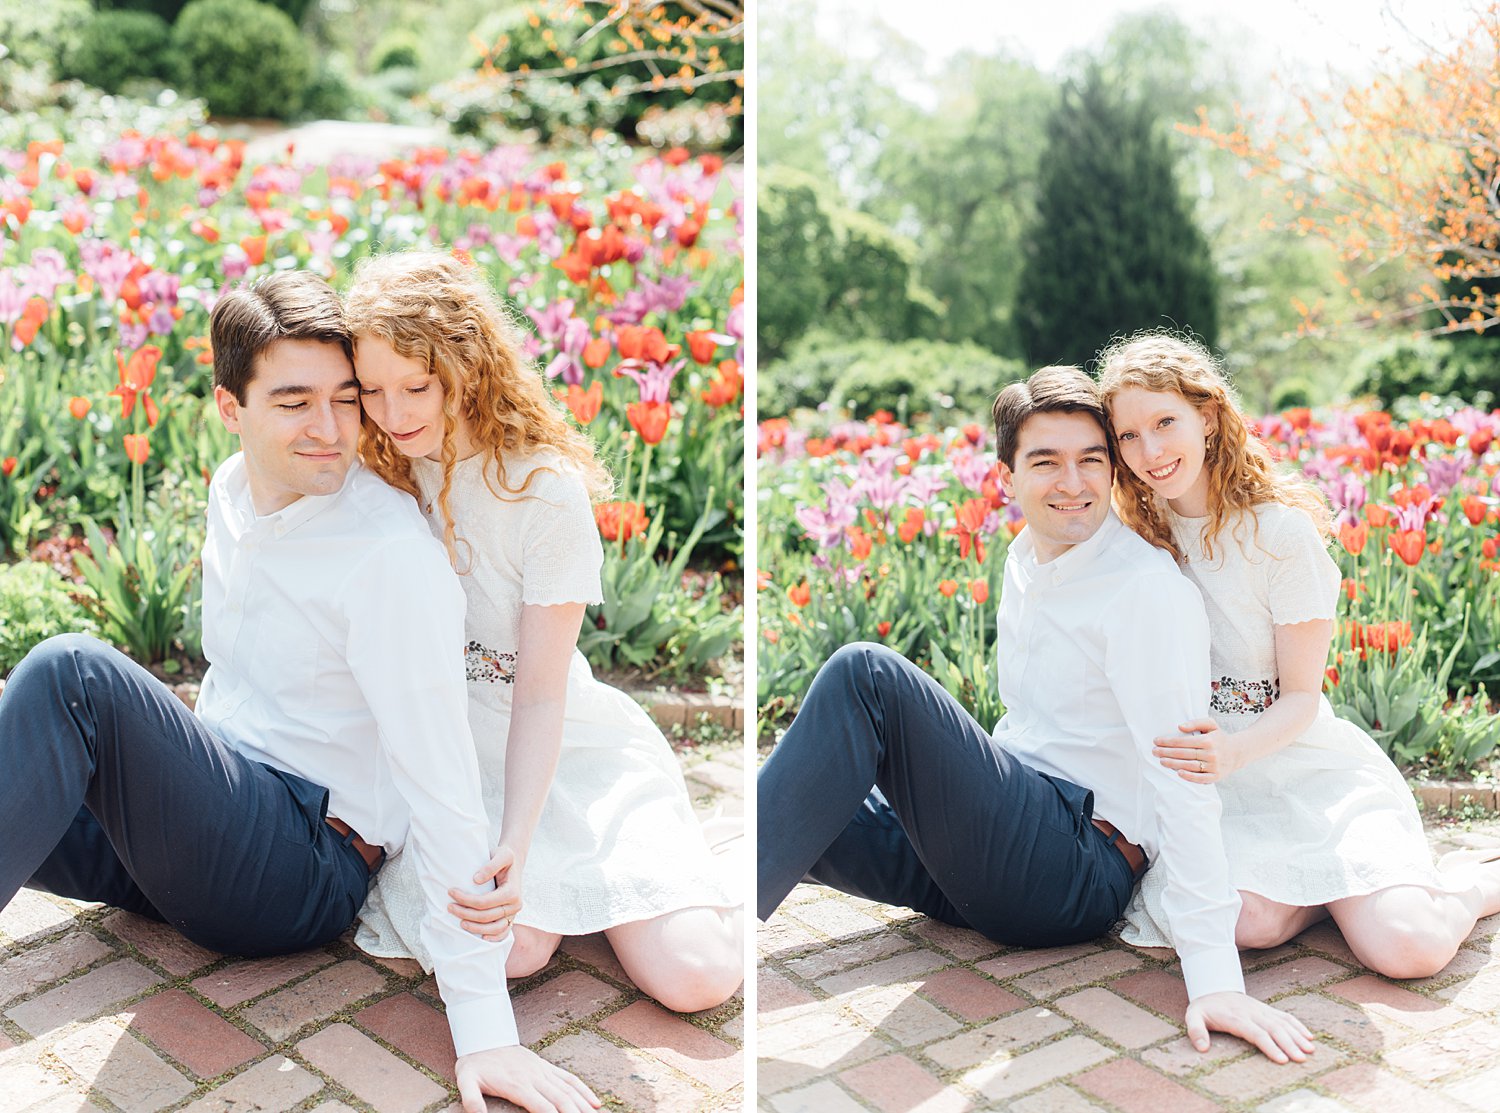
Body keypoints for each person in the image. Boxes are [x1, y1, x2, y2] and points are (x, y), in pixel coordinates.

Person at [0, 271, 598, 1113]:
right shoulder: (230, 493)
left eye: (345, 400)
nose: (329, 431)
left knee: (71, 675)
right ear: (229, 407)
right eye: (293, 402)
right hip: (201, 833)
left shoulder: (385, 553)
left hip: (295, 865)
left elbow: (440, 777)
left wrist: (486, 1029)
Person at [758, 364, 1315, 1063]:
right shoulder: (1026, 557)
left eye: (1091, 460)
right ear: (1006, 477)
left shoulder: (1143, 590)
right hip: (994, 856)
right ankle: (699, 895)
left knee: (864, 674)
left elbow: (1182, 775)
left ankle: (720, 929)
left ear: (1114, 470)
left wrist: (1215, 978)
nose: (1073, 482)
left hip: (1072, 868)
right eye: (1046, 461)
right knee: (805, 796)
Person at [341, 251, 742, 1014]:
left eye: (417, 386)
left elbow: (539, 697)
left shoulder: (543, 490)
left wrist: (517, 844)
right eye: (373, 390)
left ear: (467, 364)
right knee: (512, 948)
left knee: (697, 978)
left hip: (561, 746)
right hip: (448, 753)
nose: (392, 413)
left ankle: (673, 865)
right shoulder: (385, 469)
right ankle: (564, 905)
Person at [1099, 331, 1500, 976]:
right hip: (1220, 791)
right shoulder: (1140, 539)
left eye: (1165, 422)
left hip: (1304, 767)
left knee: (1409, 949)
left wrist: (1230, 751)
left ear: (1207, 415)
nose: (1149, 450)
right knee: (1239, 922)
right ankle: (1325, 900)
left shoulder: (1280, 535)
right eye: (1127, 436)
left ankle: (1467, 884)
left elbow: (1302, 701)